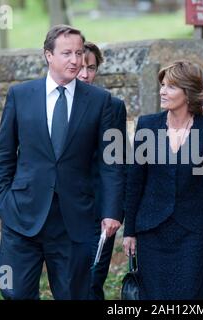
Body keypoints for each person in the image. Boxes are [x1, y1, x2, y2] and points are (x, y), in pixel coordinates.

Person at [0, 25, 124, 300]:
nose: (75, 60)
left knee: (74, 295)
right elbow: (4, 154)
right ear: (48, 55)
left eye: (78, 53)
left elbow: (110, 163)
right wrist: (4, 201)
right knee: (14, 292)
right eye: (66, 53)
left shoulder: (101, 102)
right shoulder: (20, 95)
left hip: (73, 220)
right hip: (22, 216)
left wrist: (112, 211)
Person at [122, 60, 203, 300]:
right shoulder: (147, 125)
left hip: (193, 232)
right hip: (151, 230)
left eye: (170, 87)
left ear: (188, 93)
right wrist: (130, 231)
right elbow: (134, 182)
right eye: (162, 86)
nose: (162, 91)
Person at [77, 41, 127, 300]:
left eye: (92, 68)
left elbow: (117, 161)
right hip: (63, 210)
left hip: (99, 210)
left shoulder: (113, 106)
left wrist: (114, 211)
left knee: (93, 281)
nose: (85, 74)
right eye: (80, 67)